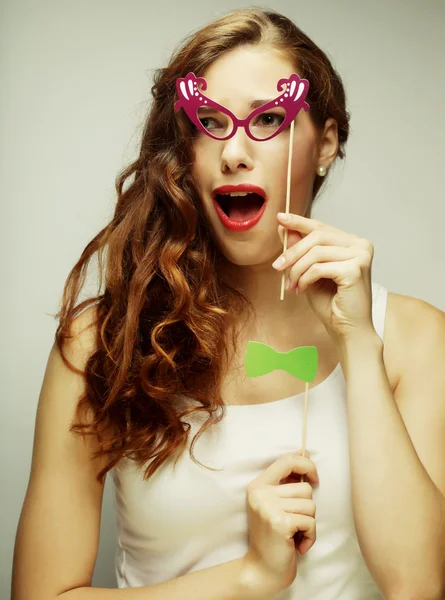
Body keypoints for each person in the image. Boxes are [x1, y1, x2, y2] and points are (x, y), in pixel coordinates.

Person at [11, 7, 445, 600]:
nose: (234, 152)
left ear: (327, 142)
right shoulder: (103, 341)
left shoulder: (417, 339)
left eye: (269, 119)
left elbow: (418, 586)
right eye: (209, 122)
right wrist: (249, 577)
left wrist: (359, 343)